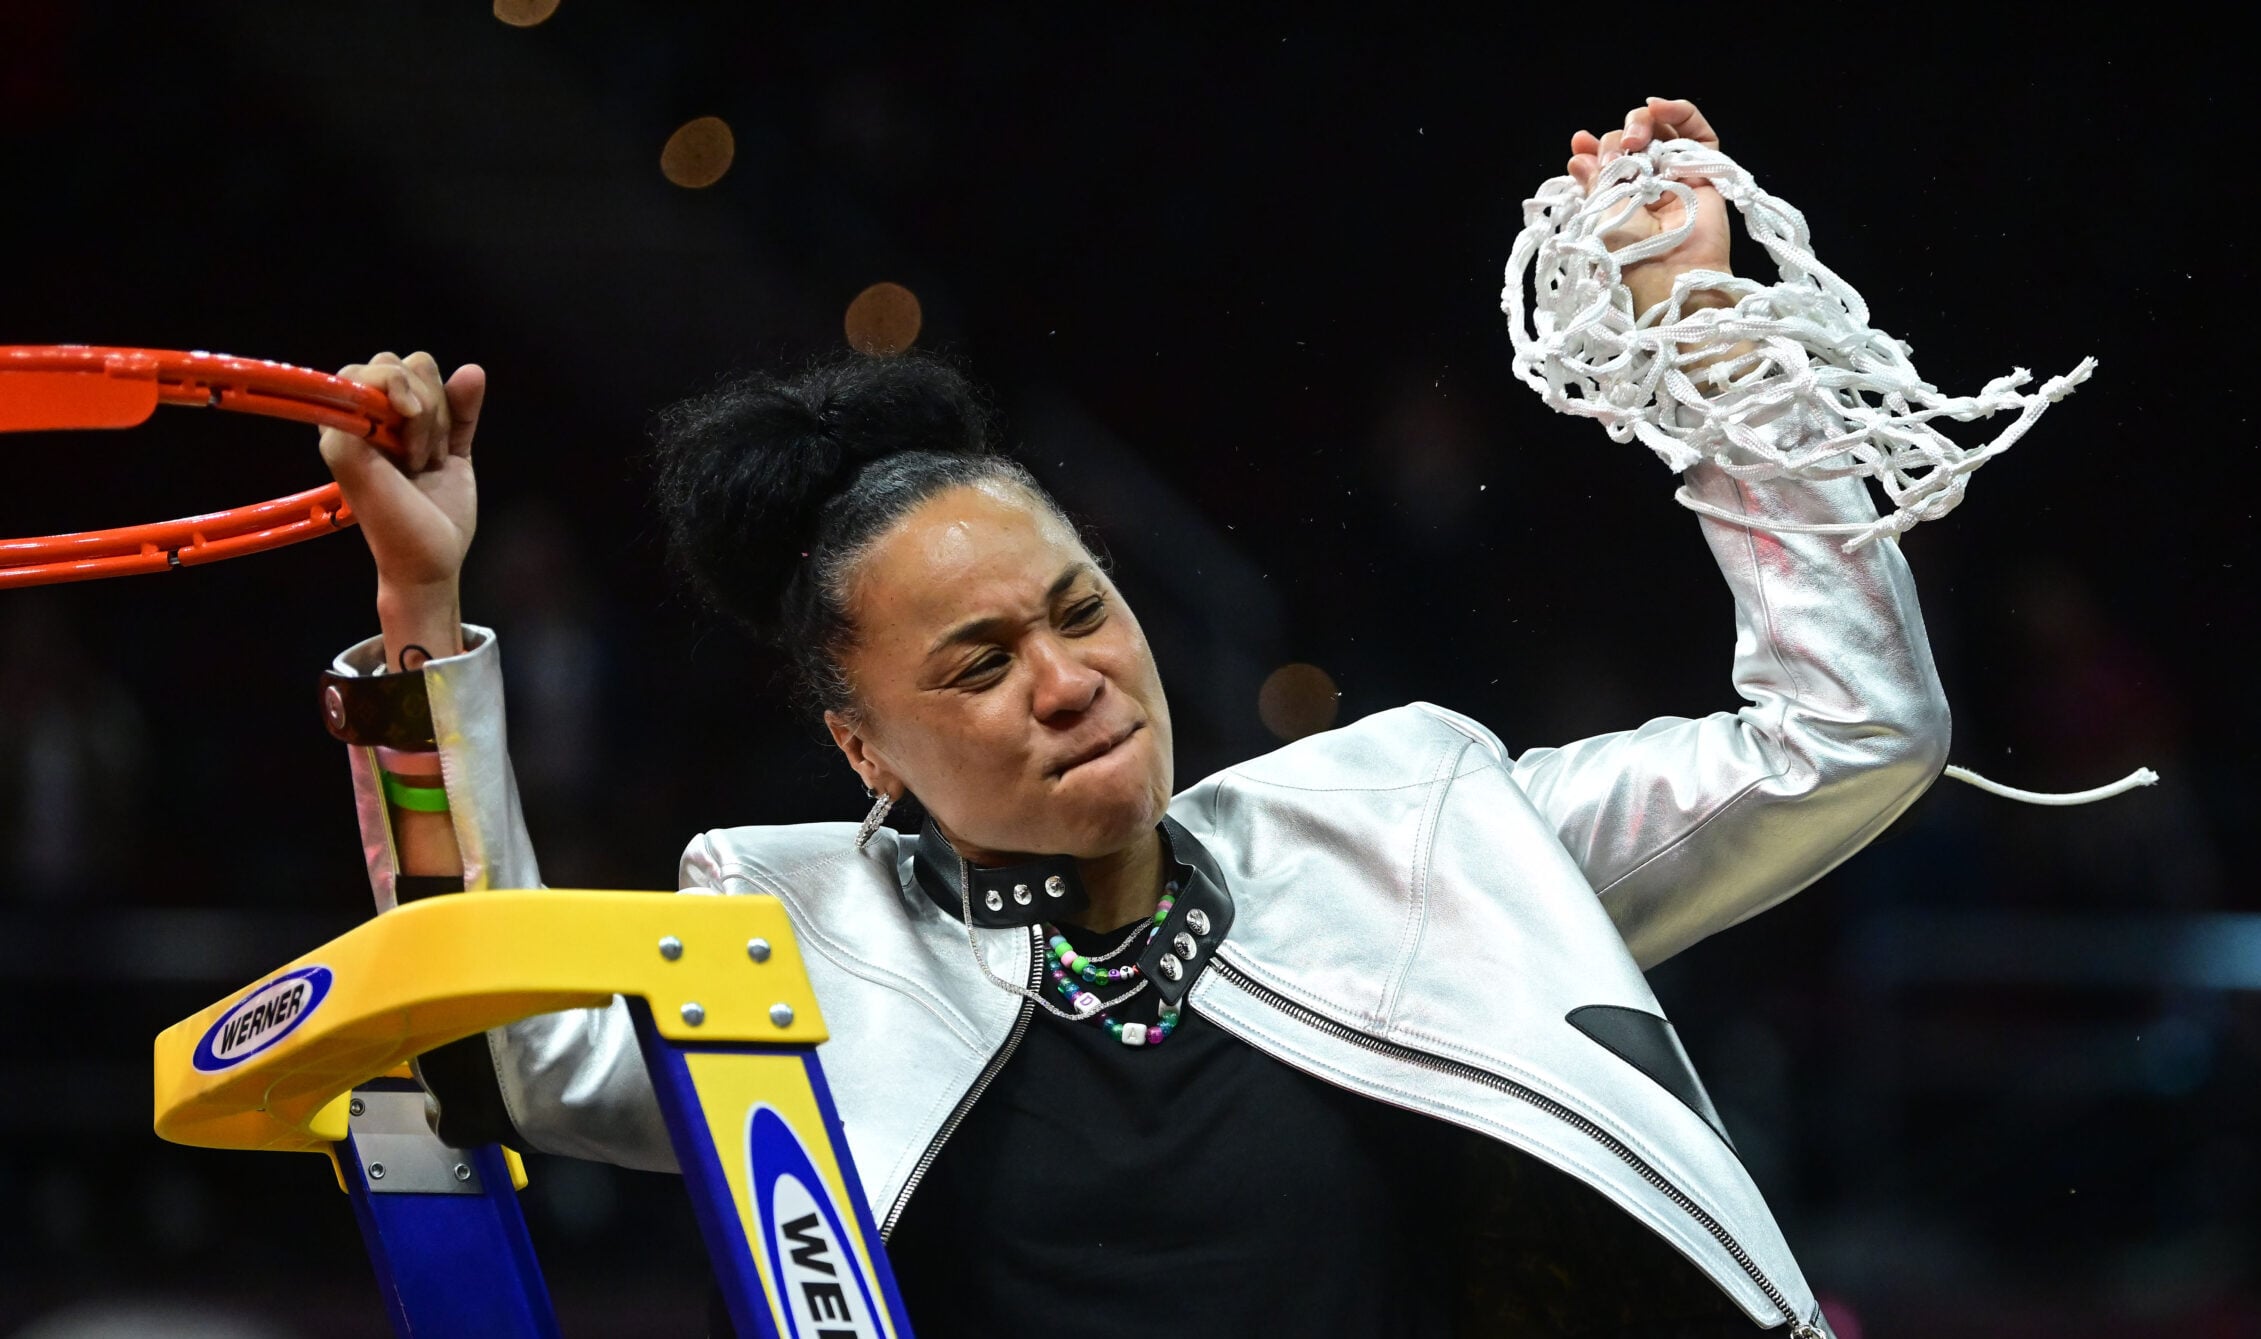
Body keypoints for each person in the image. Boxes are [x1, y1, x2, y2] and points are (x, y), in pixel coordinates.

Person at [312, 98, 1939, 1337]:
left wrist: (1717, 349)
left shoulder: (1416, 823)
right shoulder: (782, 955)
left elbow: (1845, 733)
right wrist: (419, 608)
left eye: (1081, 609)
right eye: (977, 663)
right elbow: (490, 1048)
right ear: (861, 749)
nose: (1069, 677)